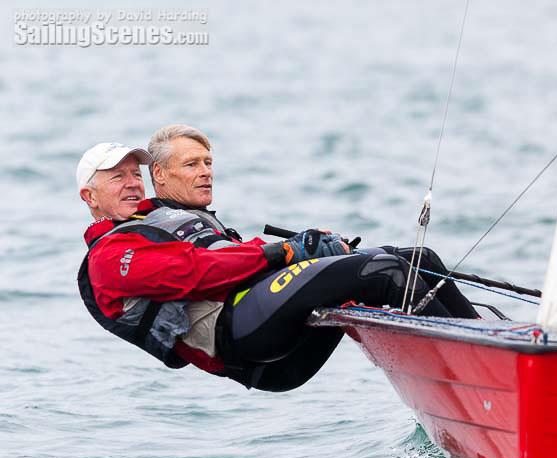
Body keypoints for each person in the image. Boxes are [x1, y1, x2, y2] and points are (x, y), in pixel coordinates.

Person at [77, 128, 479, 391]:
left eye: (134, 174)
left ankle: (490, 344)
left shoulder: (163, 219)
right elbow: (197, 272)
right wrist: (285, 252)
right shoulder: (110, 257)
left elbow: (232, 255)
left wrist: (317, 248)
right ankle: (477, 378)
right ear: (90, 197)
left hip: (261, 317)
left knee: (413, 258)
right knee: (384, 272)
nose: (131, 182)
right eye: (117, 177)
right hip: (242, 340)